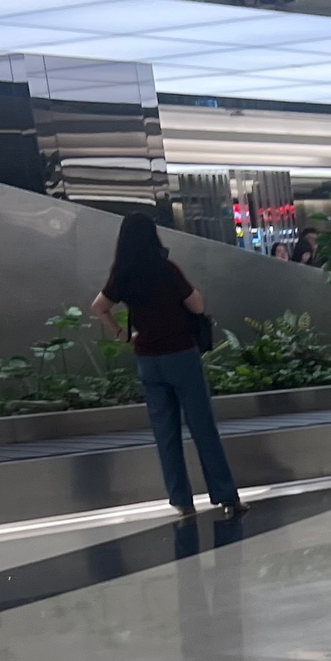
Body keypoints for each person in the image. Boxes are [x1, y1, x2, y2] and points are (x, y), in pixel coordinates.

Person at [92, 215, 242, 520]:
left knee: (166, 434)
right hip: (180, 355)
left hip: (149, 360)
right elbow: (196, 305)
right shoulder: (166, 269)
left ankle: (182, 501)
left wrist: (123, 335)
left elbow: (99, 307)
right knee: (202, 428)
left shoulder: (122, 274)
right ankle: (226, 497)